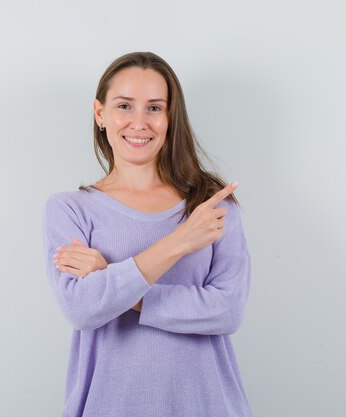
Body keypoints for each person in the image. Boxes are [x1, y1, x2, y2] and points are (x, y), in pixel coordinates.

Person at [41, 51, 252, 417]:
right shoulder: (70, 209)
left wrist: (111, 279)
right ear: (100, 113)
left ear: (171, 118)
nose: (139, 122)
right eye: (124, 105)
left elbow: (227, 311)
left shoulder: (210, 206)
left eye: (155, 108)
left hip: (207, 406)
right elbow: (82, 308)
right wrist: (179, 242)